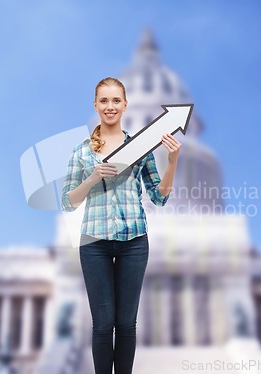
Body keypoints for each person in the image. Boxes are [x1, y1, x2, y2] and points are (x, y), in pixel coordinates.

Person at [61, 77, 181, 374]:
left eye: (116, 100)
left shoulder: (141, 148)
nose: (110, 106)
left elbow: (159, 197)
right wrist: (92, 178)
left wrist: (173, 161)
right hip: (94, 241)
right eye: (104, 101)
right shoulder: (81, 152)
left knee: (127, 323)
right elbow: (68, 202)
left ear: (125, 105)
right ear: (95, 105)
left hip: (134, 240)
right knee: (102, 324)